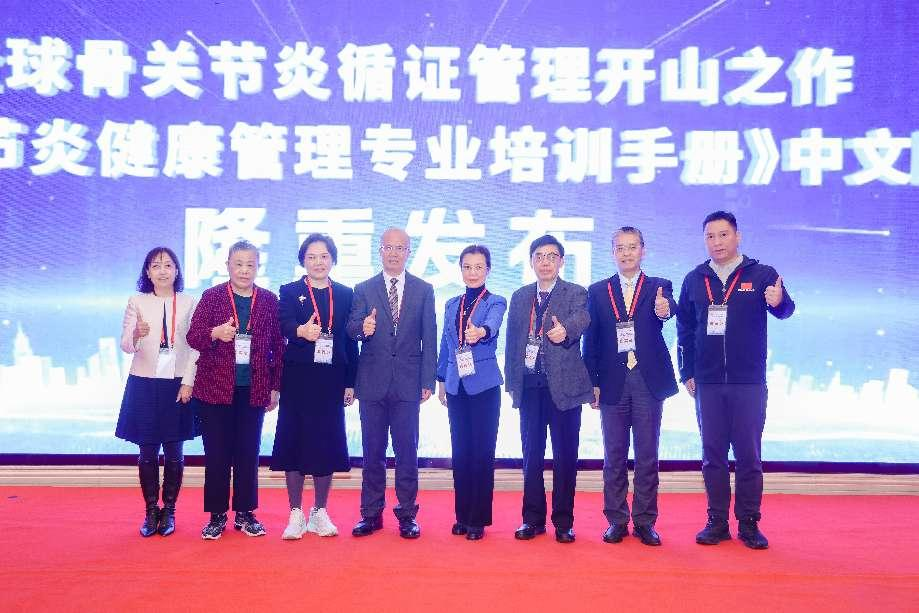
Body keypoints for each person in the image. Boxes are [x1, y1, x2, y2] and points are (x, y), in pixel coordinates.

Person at [676, 211, 794, 550]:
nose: (717, 242)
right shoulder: (694, 279)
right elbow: (684, 329)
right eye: (710, 236)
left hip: (749, 382)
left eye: (723, 235)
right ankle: (716, 521)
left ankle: (749, 522)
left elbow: (785, 310)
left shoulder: (762, 274)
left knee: (748, 455)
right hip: (708, 383)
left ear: (737, 236)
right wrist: (687, 372)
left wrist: (780, 302)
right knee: (712, 455)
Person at [584, 227, 678, 546]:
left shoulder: (659, 286)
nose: (626, 253)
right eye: (620, 248)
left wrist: (666, 309)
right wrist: (592, 383)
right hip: (612, 381)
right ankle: (616, 520)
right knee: (614, 455)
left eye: (632, 247)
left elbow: (669, 309)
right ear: (613, 253)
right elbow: (591, 341)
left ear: (643, 250)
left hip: (647, 381)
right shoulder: (598, 291)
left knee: (647, 455)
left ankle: (645, 521)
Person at [187, 241, 284, 540]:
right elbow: (193, 337)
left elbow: (278, 346)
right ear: (227, 265)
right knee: (217, 454)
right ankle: (216, 515)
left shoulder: (268, 300)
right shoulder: (212, 296)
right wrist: (215, 333)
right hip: (214, 389)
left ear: (258, 267)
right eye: (238, 264)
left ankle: (245, 513)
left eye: (250, 265)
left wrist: (276, 386)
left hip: (254, 389)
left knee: (247, 453)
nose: (244, 270)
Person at [347, 228, 437, 539]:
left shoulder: (424, 289)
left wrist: (427, 379)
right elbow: (350, 329)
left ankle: (407, 514)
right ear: (380, 251)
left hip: (409, 383)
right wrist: (363, 327)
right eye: (389, 247)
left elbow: (429, 337)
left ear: (408, 252)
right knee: (372, 452)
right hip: (372, 382)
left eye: (400, 248)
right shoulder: (364, 288)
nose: (394, 253)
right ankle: (371, 514)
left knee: (406, 452)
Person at [504, 235, 593, 544]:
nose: (545, 262)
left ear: (561, 261)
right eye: (539, 256)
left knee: (565, 456)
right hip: (530, 387)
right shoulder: (520, 296)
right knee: (531, 456)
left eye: (551, 256)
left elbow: (582, 318)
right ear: (531, 261)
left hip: (565, 388)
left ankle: (564, 522)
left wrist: (565, 330)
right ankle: (532, 519)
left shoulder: (575, 292)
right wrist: (512, 382)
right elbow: (513, 342)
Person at [271, 234, 358, 539]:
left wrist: (351, 382)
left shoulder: (345, 294)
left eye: (324, 256)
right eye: (311, 257)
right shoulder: (290, 291)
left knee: (326, 442)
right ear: (303, 261)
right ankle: (295, 512)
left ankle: (319, 511)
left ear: (332, 259)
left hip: (331, 379)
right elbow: (282, 325)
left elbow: (350, 341)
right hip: (297, 378)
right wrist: (300, 331)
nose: (318, 262)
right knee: (294, 441)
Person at [116, 247, 198, 537]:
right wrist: (136, 334)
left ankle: (170, 510)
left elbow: (196, 347)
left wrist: (189, 381)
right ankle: (151, 511)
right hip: (144, 382)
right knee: (148, 451)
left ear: (176, 271)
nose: (162, 270)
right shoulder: (136, 301)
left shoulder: (189, 302)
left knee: (175, 451)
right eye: (155, 265)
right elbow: (126, 345)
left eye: (168, 265)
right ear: (148, 273)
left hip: (177, 382)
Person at [436, 245, 507, 541]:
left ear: (488, 270)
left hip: (484, 386)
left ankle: (478, 519)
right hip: (456, 385)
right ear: (461, 269)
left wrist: (481, 332)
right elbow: (445, 344)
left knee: (481, 452)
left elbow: (493, 325)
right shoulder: (452, 303)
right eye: (467, 267)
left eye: (479, 267)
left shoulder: (495, 301)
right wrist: (441, 379)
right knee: (461, 452)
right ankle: (462, 516)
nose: (473, 272)